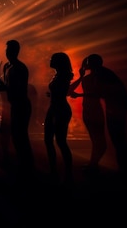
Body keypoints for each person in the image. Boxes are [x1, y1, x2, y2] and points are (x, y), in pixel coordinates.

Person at [0, 39, 35, 179]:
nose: (7, 52)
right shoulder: (7, 66)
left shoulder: (20, 68)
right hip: (14, 105)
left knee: (20, 136)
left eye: (10, 50)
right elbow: (6, 85)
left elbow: (16, 88)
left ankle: (28, 166)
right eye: (6, 50)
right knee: (16, 136)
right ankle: (24, 165)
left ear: (16, 51)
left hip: (21, 105)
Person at [86, 53, 127, 177]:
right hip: (116, 106)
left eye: (88, 62)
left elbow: (100, 92)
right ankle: (125, 167)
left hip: (116, 107)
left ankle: (126, 168)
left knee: (118, 137)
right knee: (118, 137)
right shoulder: (104, 73)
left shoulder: (102, 74)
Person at [69, 56, 106, 174]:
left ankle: (93, 164)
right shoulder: (90, 78)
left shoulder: (93, 78)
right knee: (96, 139)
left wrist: (79, 95)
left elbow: (96, 94)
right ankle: (93, 164)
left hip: (92, 110)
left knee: (97, 139)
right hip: (91, 110)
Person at [44, 52, 74, 183]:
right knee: (50, 140)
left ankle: (65, 171)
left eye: (52, 59)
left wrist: (55, 95)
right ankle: (55, 169)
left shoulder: (62, 76)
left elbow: (62, 92)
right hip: (55, 108)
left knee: (60, 141)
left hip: (59, 109)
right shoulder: (59, 75)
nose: (50, 60)